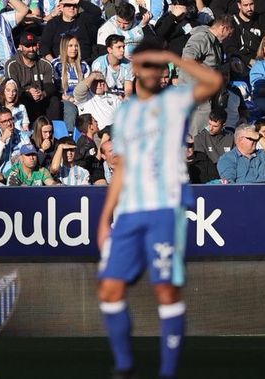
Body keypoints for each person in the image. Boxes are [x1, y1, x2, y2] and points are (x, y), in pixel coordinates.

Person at [95, 35, 226, 379]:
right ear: (136, 68)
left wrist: (172, 56)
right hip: (130, 211)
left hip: (165, 208)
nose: (153, 70)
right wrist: (105, 216)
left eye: (158, 65)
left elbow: (213, 81)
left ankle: (168, 372)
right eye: (146, 63)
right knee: (110, 287)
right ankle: (124, 366)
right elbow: (122, 167)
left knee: (165, 289)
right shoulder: (124, 114)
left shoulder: (176, 99)